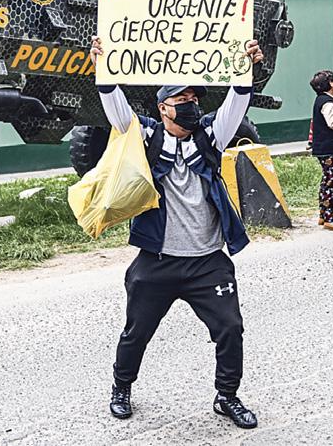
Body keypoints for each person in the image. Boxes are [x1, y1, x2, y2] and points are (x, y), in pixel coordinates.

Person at [91, 36, 264, 430]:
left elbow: (238, 99)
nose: (190, 104)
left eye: (193, 98)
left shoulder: (210, 135)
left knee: (230, 328)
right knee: (136, 332)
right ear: (162, 107)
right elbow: (115, 107)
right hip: (158, 261)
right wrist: (103, 65)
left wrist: (247, 66)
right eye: (181, 99)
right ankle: (121, 388)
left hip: (208, 262)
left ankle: (227, 396)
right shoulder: (147, 136)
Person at [309, 70, 333, 231]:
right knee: (332, 182)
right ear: (330, 84)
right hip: (330, 147)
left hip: (323, 147)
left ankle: (323, 214)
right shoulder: (328, 102)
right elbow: (332, 122)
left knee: (327, 181)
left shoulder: (320, 100)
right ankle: (330, 218)